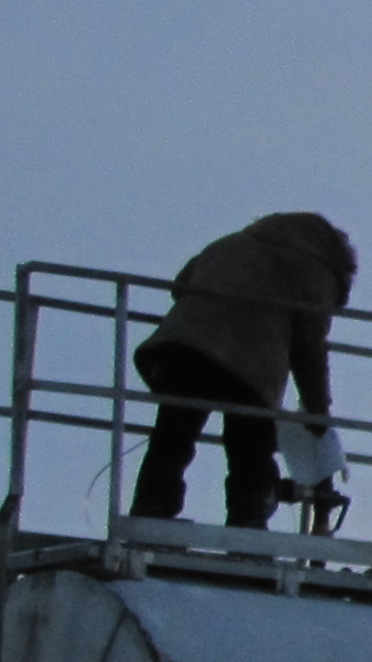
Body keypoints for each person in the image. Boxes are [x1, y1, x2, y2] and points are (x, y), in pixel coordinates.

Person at [126, 212, 358, 530]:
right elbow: (309, 348)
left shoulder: (232, 243)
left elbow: (181, 284)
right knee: (250, 446)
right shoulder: (316, 271)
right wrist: (318, 412)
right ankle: (247, 520)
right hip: (250, 360)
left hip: (181, 347)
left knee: (173, 434)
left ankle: (152, 508)